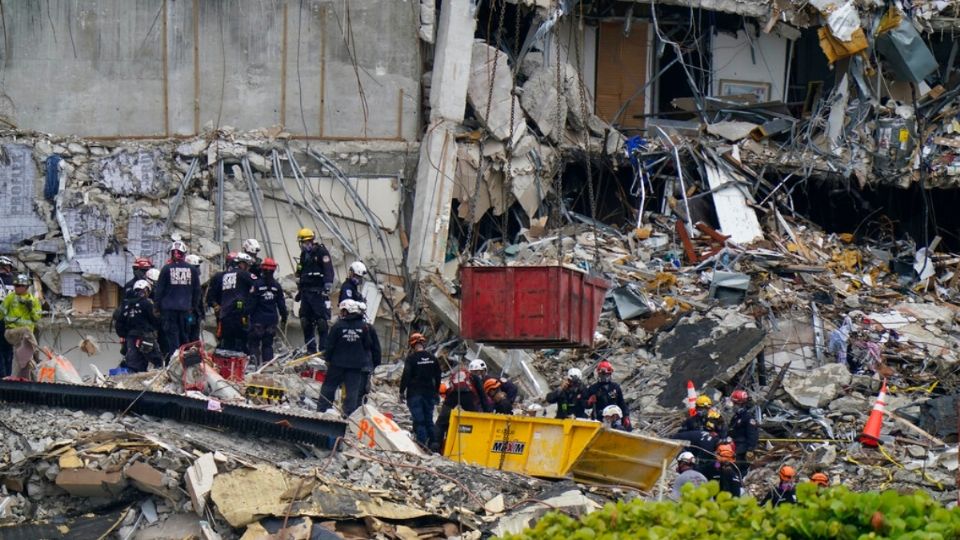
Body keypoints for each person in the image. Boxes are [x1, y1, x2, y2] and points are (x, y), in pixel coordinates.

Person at [319, 300, 373, 416]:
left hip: (337, 364)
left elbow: (330, 345)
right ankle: (348, 414)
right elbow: (368, 344)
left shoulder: (338, 326)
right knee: (352, 391)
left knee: (329, 387)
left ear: (346, 311)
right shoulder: (363, 327)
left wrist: (327, 359)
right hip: (355, 366)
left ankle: (323, 410)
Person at [155, 241, 201, 353]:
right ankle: (185, 361)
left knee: (172, 340)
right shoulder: (192, 270)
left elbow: (159, 290)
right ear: (184, 254)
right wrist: (193, 307)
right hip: (185, 310)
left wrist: (156, 308)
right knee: (185, 338)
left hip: (169, 311)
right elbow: (197, 291)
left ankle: (175, 361)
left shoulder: (166, 269)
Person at [294, 228, 335, 354]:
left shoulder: (321, 252)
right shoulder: (303, 256)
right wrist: (299, 292)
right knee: (306, 321)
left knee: (322, 322)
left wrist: (327, 285)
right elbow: (300, 273)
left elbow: (328, 269)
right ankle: (310, 349)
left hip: (318, 292)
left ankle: (323, 350)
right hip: (306, 293)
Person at [399, 332, 442, 447]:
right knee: (429, 420)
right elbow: (438, 377)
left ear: (412, 345)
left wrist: (401, 392)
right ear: (423, 343)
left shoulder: (411, 359)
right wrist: (436, 392)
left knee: (419, 421)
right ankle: (434, 444)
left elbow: (406, 375)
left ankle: (422, 445)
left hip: (415, 394)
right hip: (429, 393)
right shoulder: (433, 358)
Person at [208, 252, 256, 352]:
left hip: (224, 314)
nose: (248, 268)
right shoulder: (243, 274)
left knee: (227, 342)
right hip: (238, 314)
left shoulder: (225, 276)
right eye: (247, 265)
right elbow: (257, 284)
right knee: (241, 341)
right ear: (242, 264)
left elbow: (213, 295)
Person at [433, 360, 485, 452]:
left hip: (452, 396)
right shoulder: (474, 378)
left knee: (441, 423)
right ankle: (472, 447)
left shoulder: (456, 376)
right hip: (468, 396)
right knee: (473, 422)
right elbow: (482, 396)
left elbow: (447, 389)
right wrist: (486, 412)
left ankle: (435, 446)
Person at [114, 280, 162, 373]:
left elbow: (119, 323)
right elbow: (155, 320)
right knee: (157, 362)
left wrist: (123, 335)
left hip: (131, 338)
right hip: (146, 337)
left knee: (134, 364)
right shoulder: (147, 303)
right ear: (146, 290)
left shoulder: (125, 305)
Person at [247, 258, 287, 367]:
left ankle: (254, 367)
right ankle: (267, 368)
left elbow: (251, 304)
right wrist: (284, 317)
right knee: (268, 345)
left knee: (254, 344)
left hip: (257, 321)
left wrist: (245, 315)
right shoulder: (277, 286)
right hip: (271, 321)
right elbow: (281, 305)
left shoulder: (257, 285)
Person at [1, 274, 42, 379]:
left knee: (23, 359)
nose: (17, 288)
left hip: (25, 338)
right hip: (11, 332)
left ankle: (21, 379)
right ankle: (36, 351)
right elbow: (1, 312)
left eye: (19, 285)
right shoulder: (10, 298)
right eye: (16, 285)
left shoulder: (33, 301)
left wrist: (31, 309)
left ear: (26, 287)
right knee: (26, 330)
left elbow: (37, 318)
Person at [585, 361, 630, 429]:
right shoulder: (593, 389)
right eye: (602, 375)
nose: (604, 377)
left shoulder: (615, 387)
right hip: (600, 418)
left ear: (610, 374)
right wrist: (589, 402)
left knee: (626, 428)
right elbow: (585, 406)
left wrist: (626, 416)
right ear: (598, 374)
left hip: (615, 417)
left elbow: (622, 403)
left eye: (606, 375)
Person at [357, 302, 382, 405]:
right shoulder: (368, 327)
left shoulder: (342, 325)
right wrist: (376, 365)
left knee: (355, 391)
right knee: (363, 392)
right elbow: (376, 348)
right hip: (365, 366)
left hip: (350, 366)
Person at [729, 389, 759, 474]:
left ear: (740, 404)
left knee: (740, 471)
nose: (733, 406)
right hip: (735, 447)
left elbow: (753, 434)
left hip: (742, 450)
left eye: (735, 404)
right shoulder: (736, 417)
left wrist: (750, 449)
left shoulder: (748, 418)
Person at [0, 257, 15, 377]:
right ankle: (7, 377)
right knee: (8, 350)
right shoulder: (14, 281)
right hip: (11, 321)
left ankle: (3, 376)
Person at [184, 254, 203, 342]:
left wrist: (201, 314)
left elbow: (200, 299)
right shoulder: (186, 282)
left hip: (195, 313)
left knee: (194, 337)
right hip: (188, 312)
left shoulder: (196, 282)